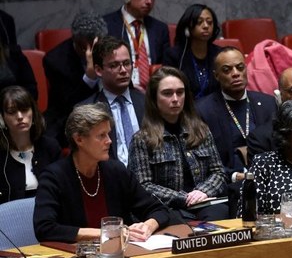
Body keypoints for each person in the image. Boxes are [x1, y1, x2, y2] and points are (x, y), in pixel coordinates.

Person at [34, 103, 171, 243]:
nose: (109, 141)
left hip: (120, 251)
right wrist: (109, 232)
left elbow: (158, 209)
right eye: (101, 136)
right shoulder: (54, 177)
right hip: (77, 253)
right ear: (79, 139)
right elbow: (44, 228)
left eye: (108, 134)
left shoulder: (116, 172)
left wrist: (147, 226)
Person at [128, 67, 229, 220]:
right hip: (167, 208)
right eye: (167, 93)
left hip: (203, 202)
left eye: (180, 92)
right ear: (154, 98)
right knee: (175, 222)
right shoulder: (142, 139)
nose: (175, 99)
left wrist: (203, 191)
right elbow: (143, 186)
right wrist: (183, 198)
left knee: (220, 214)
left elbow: (219, 172)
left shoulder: (201, 130)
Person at [196, 46, 276, 181]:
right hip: (227, 183)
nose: (235, 73)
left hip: (268, 180)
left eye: (240, 67)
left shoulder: (268, 103)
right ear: (216, 76)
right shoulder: (203, 110)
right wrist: (234, 177)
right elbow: (203, 160)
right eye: (227, 70)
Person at [43, 12, 108, 146]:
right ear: (75, 41)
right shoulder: (55, 61)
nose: (91, 52)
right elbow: (68, 104)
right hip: (71, 116)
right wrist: (89, 78)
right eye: (84, 47)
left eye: (96, 46)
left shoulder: (111, 49)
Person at [79, 36, 144, 166]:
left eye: (127, 63)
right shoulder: (87, 111)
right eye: (114, 65)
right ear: (98, 70)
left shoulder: (147, 102)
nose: (123, 70)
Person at [103, 0, 170, 92]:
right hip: (120, 89)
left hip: (153, 92)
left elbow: (166, 66)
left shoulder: (160, 28)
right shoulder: (106, 25)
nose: (149, 1)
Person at [0, 86, 60, 203]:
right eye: (12, 112)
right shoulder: (2, 155)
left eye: (24, 110)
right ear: (2, 119)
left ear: (33, 112)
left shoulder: (50, 147)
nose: (20, 116)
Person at [164, 4, 223, 100]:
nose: (206, 26)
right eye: (199, 22)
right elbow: (169, 88)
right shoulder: (174, 55)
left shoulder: (220, 54)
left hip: (215, 106)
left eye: (209, 22)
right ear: (187, 28)